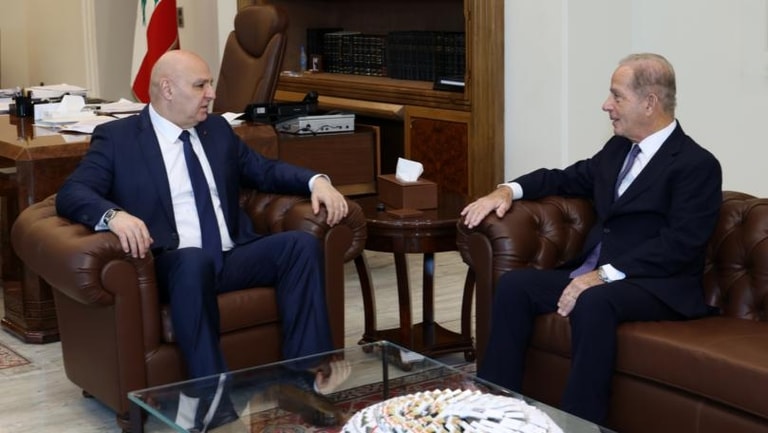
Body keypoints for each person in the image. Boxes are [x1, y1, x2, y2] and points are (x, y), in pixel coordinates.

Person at [56, 49, 350, 431]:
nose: (211, 94)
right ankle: (213, 401)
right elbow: (73, 192)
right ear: (167, 89)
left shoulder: (217, 131)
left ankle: (305, 381)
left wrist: (316, 181)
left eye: (209, 84)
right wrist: (115, 216)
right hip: (172, 264)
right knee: (193, 260)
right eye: (200, 85)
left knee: (299, 246)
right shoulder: (119, 139)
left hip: (230, 255)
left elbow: (264, 170)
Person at [460, 53, 722, 424]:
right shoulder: (618, 149)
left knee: (594, 301)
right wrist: (507, 190)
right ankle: (495, 410)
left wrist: (602, 275)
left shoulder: (696, 164)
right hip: (600, 276)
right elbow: (564, 178)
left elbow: (680, 244)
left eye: (617, 96)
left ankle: (579, 424)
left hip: (657, 284)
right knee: (517, 286)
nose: (606, 105)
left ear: (649, 103)